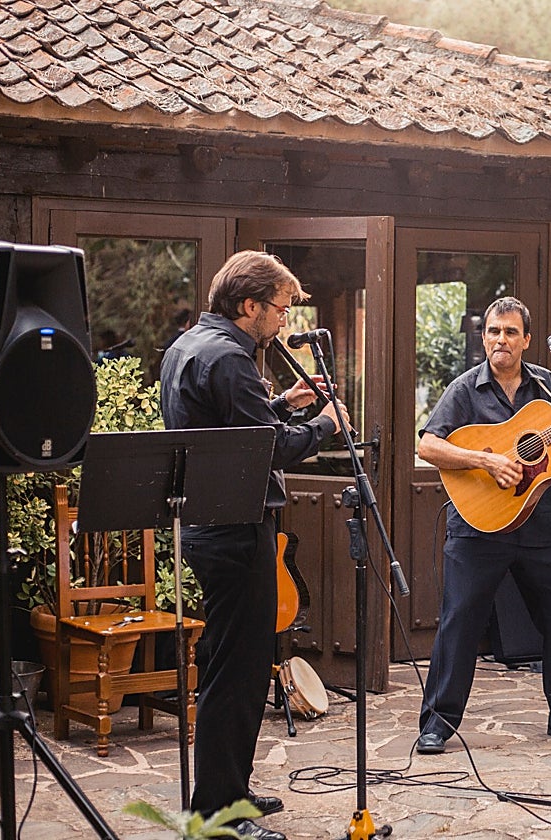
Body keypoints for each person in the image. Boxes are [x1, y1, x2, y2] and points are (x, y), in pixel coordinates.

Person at [160, 251, 348, 840]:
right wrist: (324, 426)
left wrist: (280, 404)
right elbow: (265, 450)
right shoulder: (232, 359)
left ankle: (229, 793)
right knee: (237, 674)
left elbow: (224, 430)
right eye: (280, 309)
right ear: (249, 307)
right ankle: (216, 813)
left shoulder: (189, 347)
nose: (284, 321)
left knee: (228, 664)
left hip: (206, 526)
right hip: (236, 529)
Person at [414, 296, 551, 754]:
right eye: (494, 332)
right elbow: (428, 446)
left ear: (526, 340)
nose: (501, 340)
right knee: (460, 621)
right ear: (484, 338)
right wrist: (484, 459)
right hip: (478, 526)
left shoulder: (547, 387)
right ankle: (438, 723)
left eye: (510, 333)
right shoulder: (464, 390)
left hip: (538, 522)